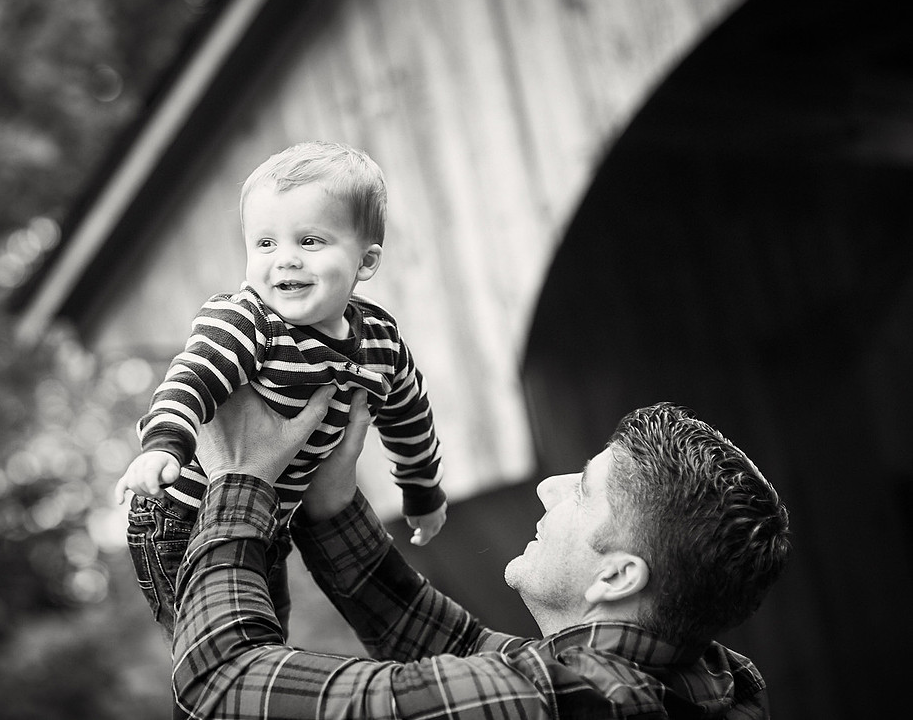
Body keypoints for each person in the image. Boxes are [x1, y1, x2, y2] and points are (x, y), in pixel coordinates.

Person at [169, 385, 791, 719]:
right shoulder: (714, 681)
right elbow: (457, 647)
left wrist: (240, 480)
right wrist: (334, 506)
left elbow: (219, 686)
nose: (549, 488)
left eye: (583, 491)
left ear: (619, 575)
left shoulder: (564, 702)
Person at [115, 141, 447, 635]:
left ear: (366, 261)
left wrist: (421, 488)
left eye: (310, 241)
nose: (284, 260)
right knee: (222, 645)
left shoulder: (380, 341)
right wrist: (164, 444)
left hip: (269, 520)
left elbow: (409, 415)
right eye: (265, 244)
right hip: (182, 516)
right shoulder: (245, 321)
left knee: (271, 635)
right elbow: (192, 378)